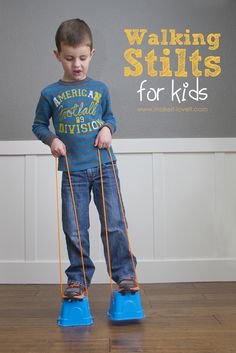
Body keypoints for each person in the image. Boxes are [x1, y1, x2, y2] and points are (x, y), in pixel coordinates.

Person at [32, 18, 139, 300]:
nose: (76, 64)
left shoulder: (100, 89)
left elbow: (111, 118)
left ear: (91, 54)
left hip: (104, 167)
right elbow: (39, 126)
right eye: (69, 58)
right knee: (75, 227)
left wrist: (107, 128)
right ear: (58, 55)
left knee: (114, 223)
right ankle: (78, 280)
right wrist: (52, 139)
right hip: (73, 172)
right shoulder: (49, 94)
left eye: (82, 57)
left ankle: (125, 275)